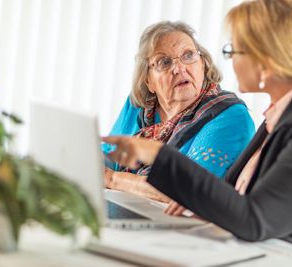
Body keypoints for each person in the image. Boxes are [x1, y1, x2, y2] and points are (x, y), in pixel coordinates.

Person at [103, 0, 292, 264]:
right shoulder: (285, 112)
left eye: (234, 50)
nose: (230, 59)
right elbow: (234, 193)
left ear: (264, 59)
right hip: (265, 249)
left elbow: (256, 220)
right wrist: (199, 202)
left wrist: (156, 153)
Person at [102, 21, 254, 202]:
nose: (179, 68)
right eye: (164, 62)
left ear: (203, 64)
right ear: (148, 81)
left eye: (188, 55)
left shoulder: (229, 116)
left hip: (186, 225)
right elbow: (105, 158)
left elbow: (187, 190)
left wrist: (113, 179)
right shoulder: (138, 105)